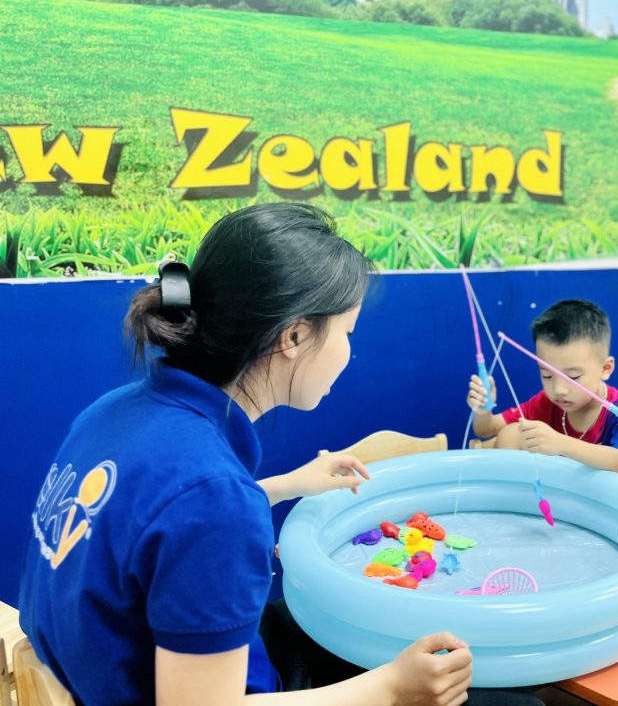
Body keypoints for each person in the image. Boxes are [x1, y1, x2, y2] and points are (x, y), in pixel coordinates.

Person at [19, 203, 474, 706]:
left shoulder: (113, 412)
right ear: (294, 336)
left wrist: (283, 485)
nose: (351, 351)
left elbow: (152, 526)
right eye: (347, 332)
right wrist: (393, 688)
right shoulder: (214, 500)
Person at [467, 299, 618, 479]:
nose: (559, 390)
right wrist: (483, 410)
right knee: (511, 434)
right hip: (559, 491)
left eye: (573, 377)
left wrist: (562, 444)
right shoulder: (547, 402)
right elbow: (486, 430)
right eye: (547, 376)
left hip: (609, 495)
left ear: (605, 368)